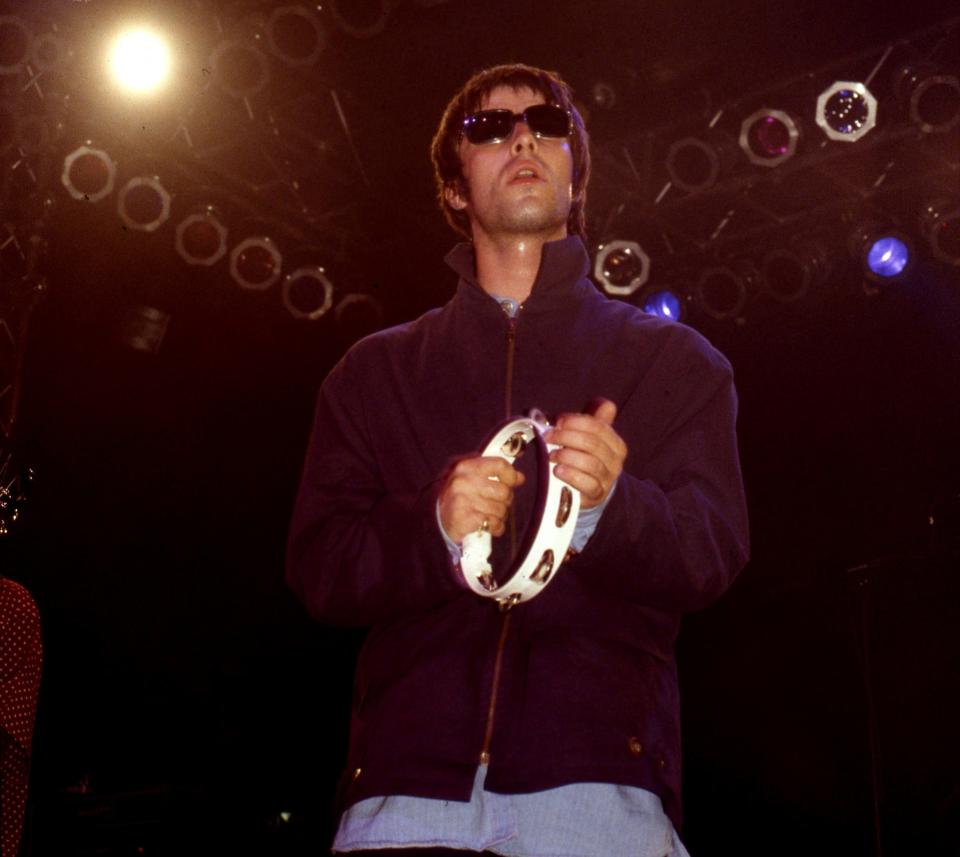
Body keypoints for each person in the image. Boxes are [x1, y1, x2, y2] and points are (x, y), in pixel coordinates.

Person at [286, 63, 749, 856]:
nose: (523, 136)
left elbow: (712, 552)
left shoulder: (673, 360)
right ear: (457, 189)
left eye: (547, 122)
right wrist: (429, 525)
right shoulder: (375, 370)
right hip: (404, 792)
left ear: (575, 175)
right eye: (489, 128)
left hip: (600, 785)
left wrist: (611, 506)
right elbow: (320, 565)